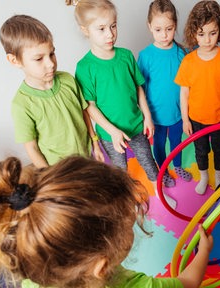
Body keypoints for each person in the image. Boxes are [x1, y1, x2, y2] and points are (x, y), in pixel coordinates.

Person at [0, 155, 213, 288]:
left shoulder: (36, 270)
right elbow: (188, 282)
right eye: (128, 225)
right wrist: (203, 251)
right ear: (101, 266)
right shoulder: (131, 285)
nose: (132, 225)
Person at [66, 0, 177, 209]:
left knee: (148, 161)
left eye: (113, 26)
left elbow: (138, 88)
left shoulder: (125, 56)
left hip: (135, 126)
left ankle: (159, 194)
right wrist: (111, 131)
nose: (110, 34)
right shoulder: (85, 67)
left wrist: (148, 116)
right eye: (101, 29)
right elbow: (90, 106)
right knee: (120, 171)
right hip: (110, 135)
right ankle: (128, 203)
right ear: (85, 30)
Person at [0, 14, 104, 168]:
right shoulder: (22, 104)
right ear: (15, 60)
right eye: (38, 59)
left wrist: (95, 143)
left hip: (87, 158)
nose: (50, 64)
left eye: (52, 54)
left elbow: (84, 113)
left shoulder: (68, 80)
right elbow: (32, 147)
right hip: (59, 171)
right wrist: (49, 177)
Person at [175, 0, 220, 195]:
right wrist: (185, 119)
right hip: (196, 119)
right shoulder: (188, 61)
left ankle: (219, 177)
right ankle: (204, 176)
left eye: (213, 33)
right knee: (201, 151)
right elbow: (184, 91)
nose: (207, 40)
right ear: (193, 33)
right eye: (201, 34)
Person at [138, 0, 193, 188]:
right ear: (150, 27)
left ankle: (177, 166)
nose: (164, 35)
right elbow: (140, 88)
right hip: (156, 116)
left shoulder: (181, 54)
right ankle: (162, 171)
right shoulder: (146, 56)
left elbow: (187, 86)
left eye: (169, 29)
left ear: (175, 26)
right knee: (159, 145)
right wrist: (145, 116)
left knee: (177, 143)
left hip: (177, 113)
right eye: (158, 30)